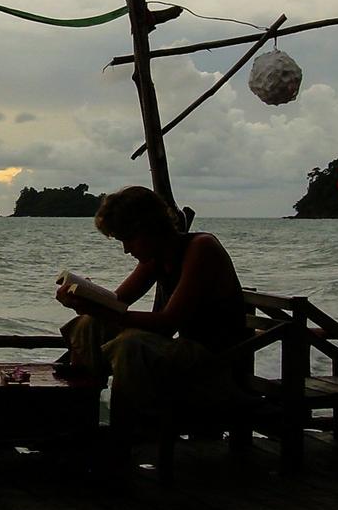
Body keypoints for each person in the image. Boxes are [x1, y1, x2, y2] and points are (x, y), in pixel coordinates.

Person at [57, 185, 246, 432]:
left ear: (149, 228)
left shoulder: (201, 248)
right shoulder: (157, 256)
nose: (126, 249)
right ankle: (77, 418)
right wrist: (86, 297)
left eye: (128, 239)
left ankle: (125, 435)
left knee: (130, 345)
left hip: (215, 364)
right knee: (90, 324)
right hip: (184, 354)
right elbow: (116, 302)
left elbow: (168, 322)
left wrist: (100, 309)